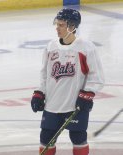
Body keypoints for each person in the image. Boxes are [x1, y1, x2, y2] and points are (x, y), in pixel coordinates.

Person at [31, 8, 104, 155]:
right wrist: (40, 92)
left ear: (72, 26)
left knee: (78, 138)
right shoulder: (51, 47)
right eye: (56, 24)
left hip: (75, 105)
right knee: (46, 138)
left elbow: (97, 77)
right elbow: (44, 74)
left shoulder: (86, 48)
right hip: (52, 104)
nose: (57, 28)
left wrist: (87, 94)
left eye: (61, 25)